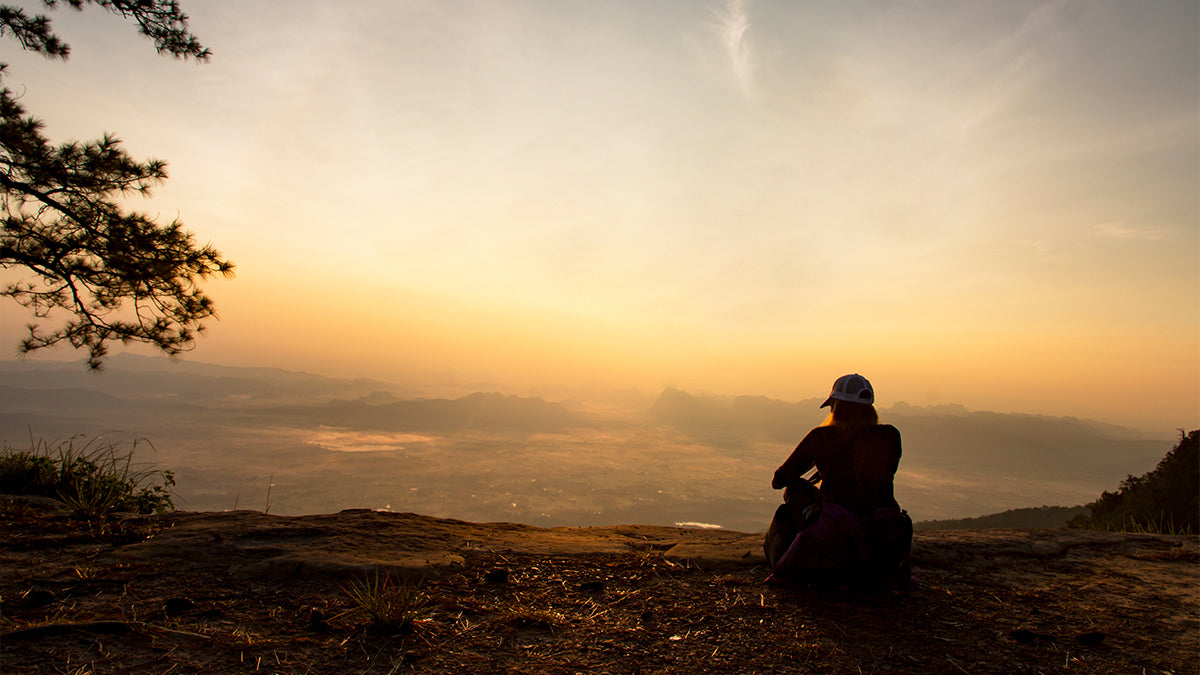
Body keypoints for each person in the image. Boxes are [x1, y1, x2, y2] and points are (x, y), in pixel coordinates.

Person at [765, 374, 912, 590]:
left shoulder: (822, 436)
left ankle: (791, 559)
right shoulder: (891, 435)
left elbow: (779, 480)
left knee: (792, 496)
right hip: (883, 543)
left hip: (834, 538)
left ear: (836, 406)